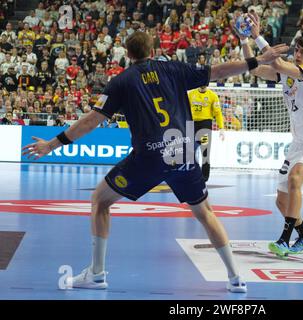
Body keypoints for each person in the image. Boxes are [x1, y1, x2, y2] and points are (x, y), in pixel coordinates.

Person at [22, 31, 288, 292]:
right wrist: (257, 60)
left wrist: (52, 144)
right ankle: (235, 278)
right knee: (206, 213)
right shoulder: (174, 69)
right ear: (153, 51)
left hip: (149, 157)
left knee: (100, 201)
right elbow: (218, 72)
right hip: (183, 151)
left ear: (127, 54)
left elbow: (92, 121)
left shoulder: (121, 82)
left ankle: (96, 273)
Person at [236, 12, 303, 256]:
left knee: (295, 180)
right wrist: (244, 41)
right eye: (297, 50)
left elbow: (278, 63)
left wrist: (258, 36)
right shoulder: (288, 75)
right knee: (281, 201)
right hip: (298, 144)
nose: (298, 54)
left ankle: (284, 240)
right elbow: (256, 70)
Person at [188, 85, 225, 181]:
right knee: (189, 151)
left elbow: (218, 113)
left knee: (205, 151)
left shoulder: (212, 96)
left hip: (205, 125)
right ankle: (190, 174)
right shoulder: (191, 94)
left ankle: (204, 176)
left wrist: (221, 128)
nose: (203, 86)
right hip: (191, 124)